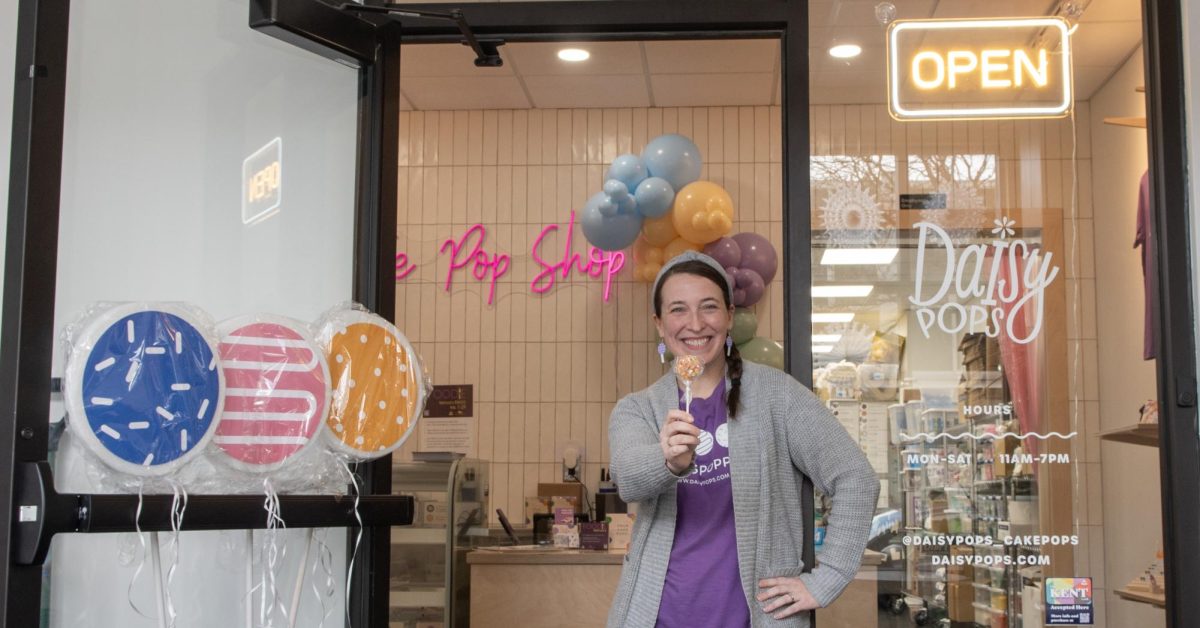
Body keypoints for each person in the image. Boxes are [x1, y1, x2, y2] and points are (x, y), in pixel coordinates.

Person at [606, 251, 879, 628]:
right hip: (659, 616)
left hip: (756, 618)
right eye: (678, 310)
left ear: (730, 315)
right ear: (659, 323)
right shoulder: (638, 408)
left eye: (709, 307)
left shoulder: (777, 396)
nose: (695, 323)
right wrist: (667, 461)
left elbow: (855, 477)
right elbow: (628, 478)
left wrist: (828, 578)